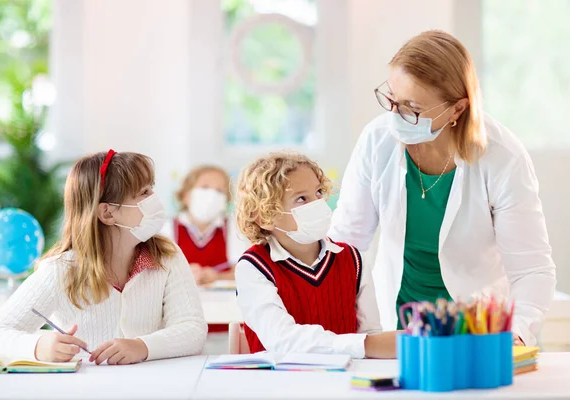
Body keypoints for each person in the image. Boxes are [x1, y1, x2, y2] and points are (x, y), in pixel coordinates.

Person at [328, 30, 556, 347]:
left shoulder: (503, 157)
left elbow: (532, 270)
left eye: (412, 107)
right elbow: (345, 244)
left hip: (476, 334)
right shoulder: (376, 140)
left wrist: (515, 334)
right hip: (395, 330)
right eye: (391, 98)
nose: (394, 115)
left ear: (457, 109)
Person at [0, 150, 207, 364]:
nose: (155, 198)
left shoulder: (167, 256)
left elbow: (193, 329)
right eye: (144, 193)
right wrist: (38, 345)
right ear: (107, 213)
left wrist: (142, 346)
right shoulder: (60, 269)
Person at [234, 152, 397, 358]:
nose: (317, 203)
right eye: (301, 198)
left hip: (345, 385)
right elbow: (282, 339)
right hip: (277, 386)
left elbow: (371, 335)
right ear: (264, 216)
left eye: (319, 193)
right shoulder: (253, 267)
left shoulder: (353, 259)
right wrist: (366, 345)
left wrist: (374, 345)